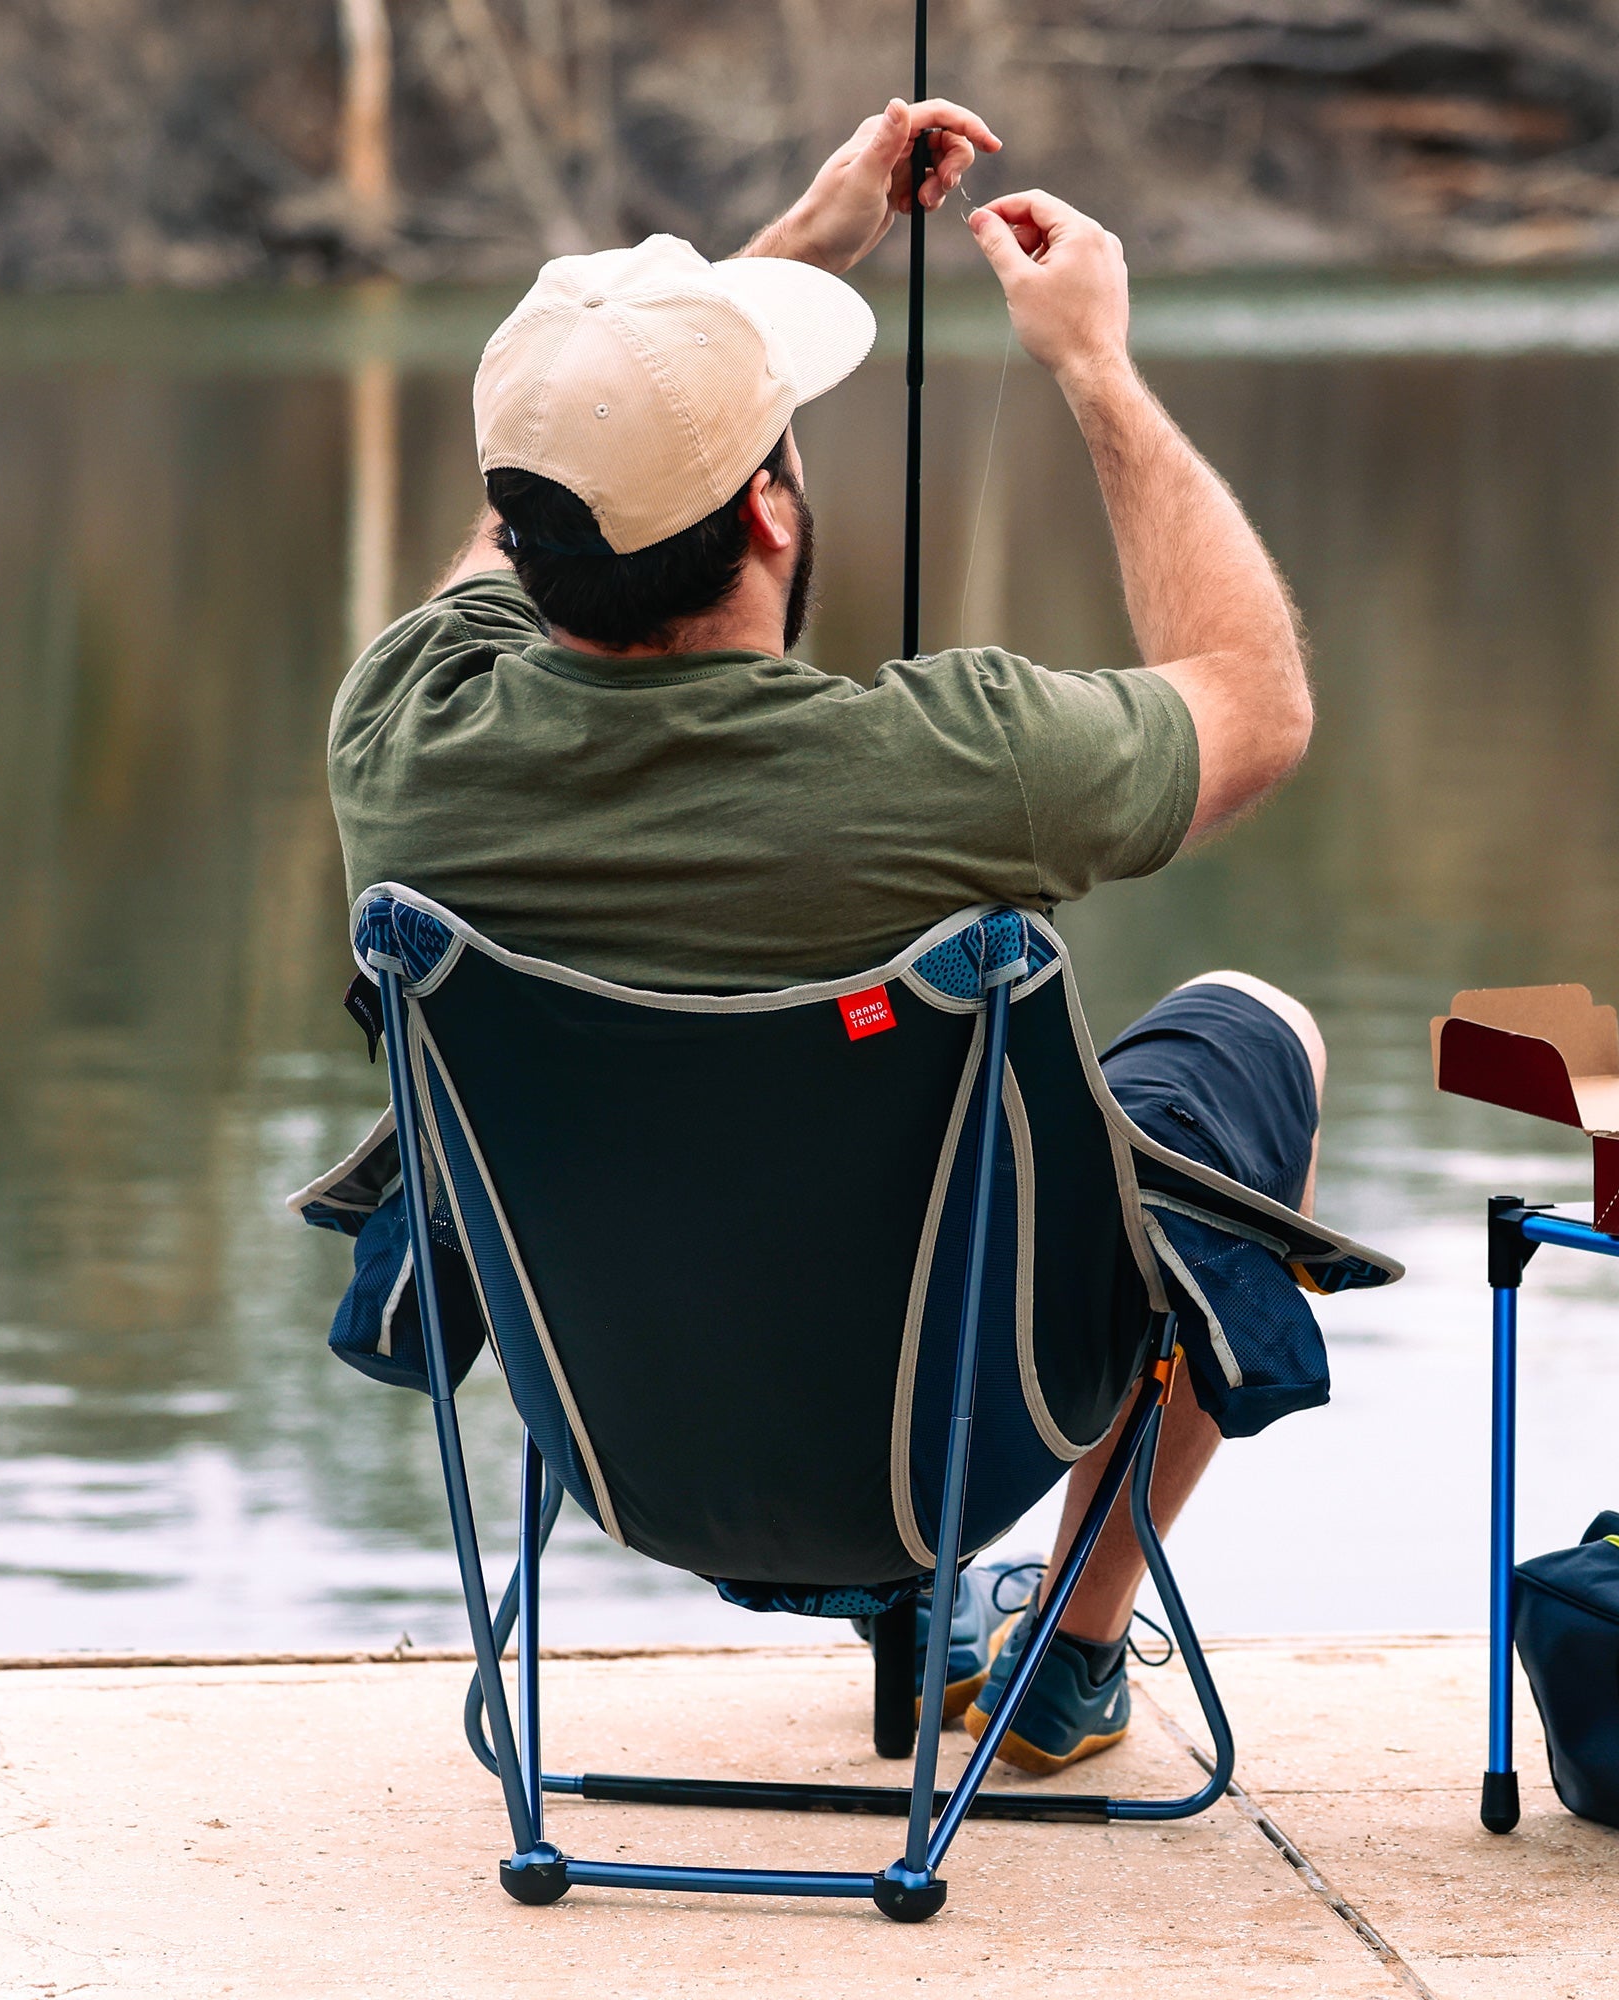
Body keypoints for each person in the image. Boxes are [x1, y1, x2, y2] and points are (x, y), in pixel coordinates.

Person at [328, 96, 1327, 1775]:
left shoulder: (405, 744)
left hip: (624, 1444)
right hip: (952, 1442)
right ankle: (1071, 1655)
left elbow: (533, 528)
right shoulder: (953, 761)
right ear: (775, 514)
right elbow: (1260, 699)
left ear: (527, 524)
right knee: (1253, 1032)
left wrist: (772, 272)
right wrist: (1096, 369)